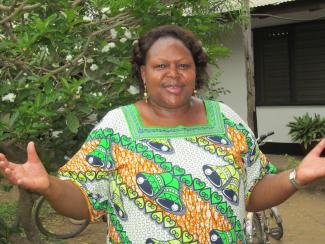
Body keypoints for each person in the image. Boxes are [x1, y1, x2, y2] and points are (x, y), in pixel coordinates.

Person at [0, 25, 325, 244]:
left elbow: (254, 192)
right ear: (143, 73)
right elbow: (84, 203)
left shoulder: (226, 119)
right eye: (160, 66)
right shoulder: (117, 127)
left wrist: (297, 176)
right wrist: (50, 186)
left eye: (183, 65)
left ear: (196, 71)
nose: (173, 75)